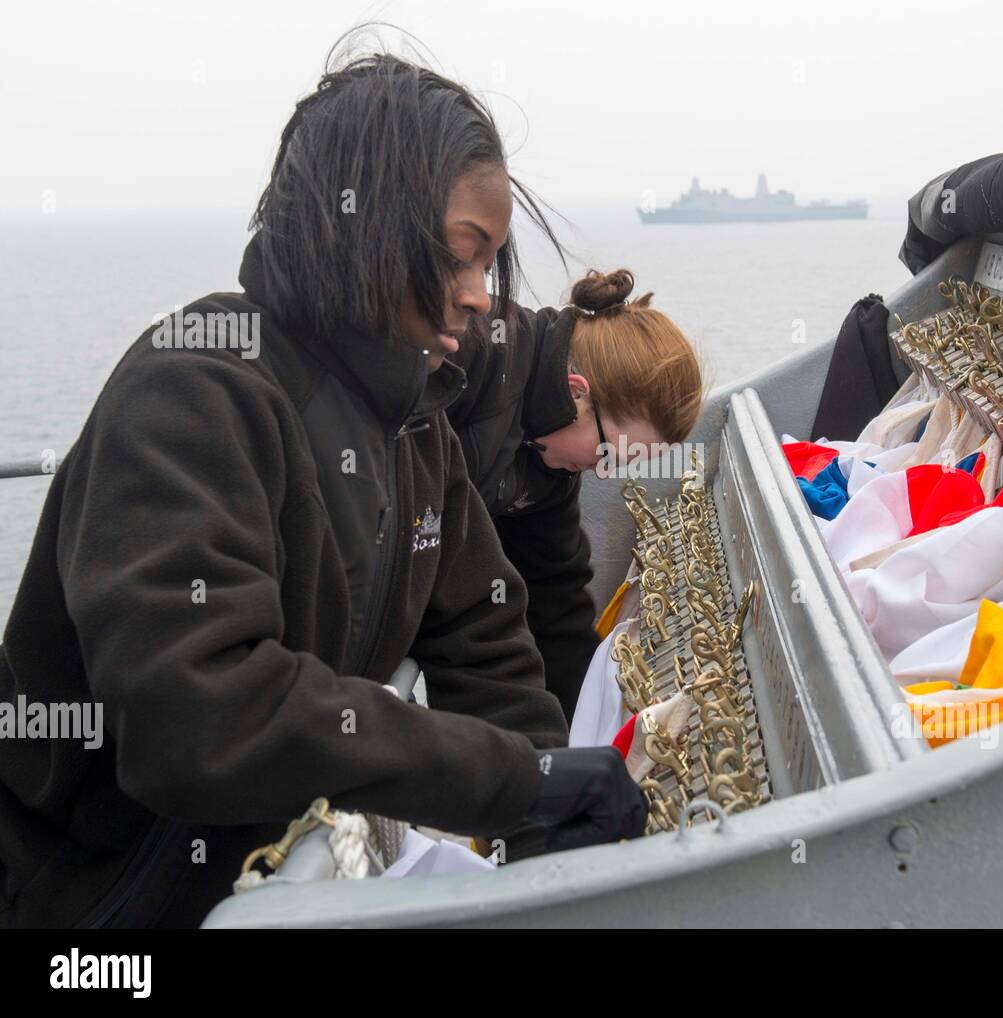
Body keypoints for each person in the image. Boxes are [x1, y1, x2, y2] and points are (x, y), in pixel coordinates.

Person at [0, 46, 646, 930]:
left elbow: (485, 642)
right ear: (364, 223)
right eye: (463, 255)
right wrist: (506, 785)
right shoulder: (194, 389)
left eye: (489, 264)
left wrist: (546, 814)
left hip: (252, 884)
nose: (481, 298)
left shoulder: (416, 422)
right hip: (80, 903)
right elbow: (196, 709)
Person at [447, 269, 704, 720]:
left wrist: (585, 730)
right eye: (606, 452)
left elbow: (556, 601)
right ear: (576, 393)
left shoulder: (550, 466)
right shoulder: (472, 353)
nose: (600, 474)